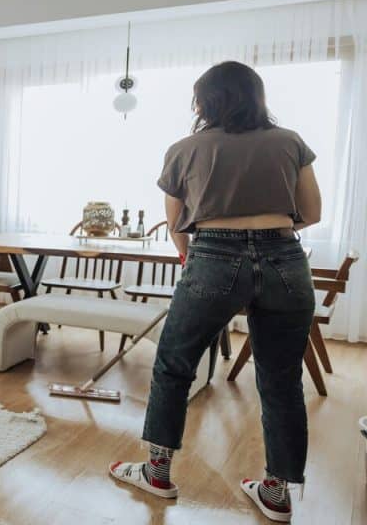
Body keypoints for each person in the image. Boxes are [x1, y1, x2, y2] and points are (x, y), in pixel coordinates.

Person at [109, 61, 321, 523]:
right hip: (285, 259)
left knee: (174, 365)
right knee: (281, 379)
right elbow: (311, 211)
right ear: (257, 96)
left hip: (213, 256)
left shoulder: (185, 149)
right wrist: (267, 231)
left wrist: (204, 257)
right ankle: (277, 493)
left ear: (203, 101)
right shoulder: (289, 143)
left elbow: (175, 223)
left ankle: (157, 473)